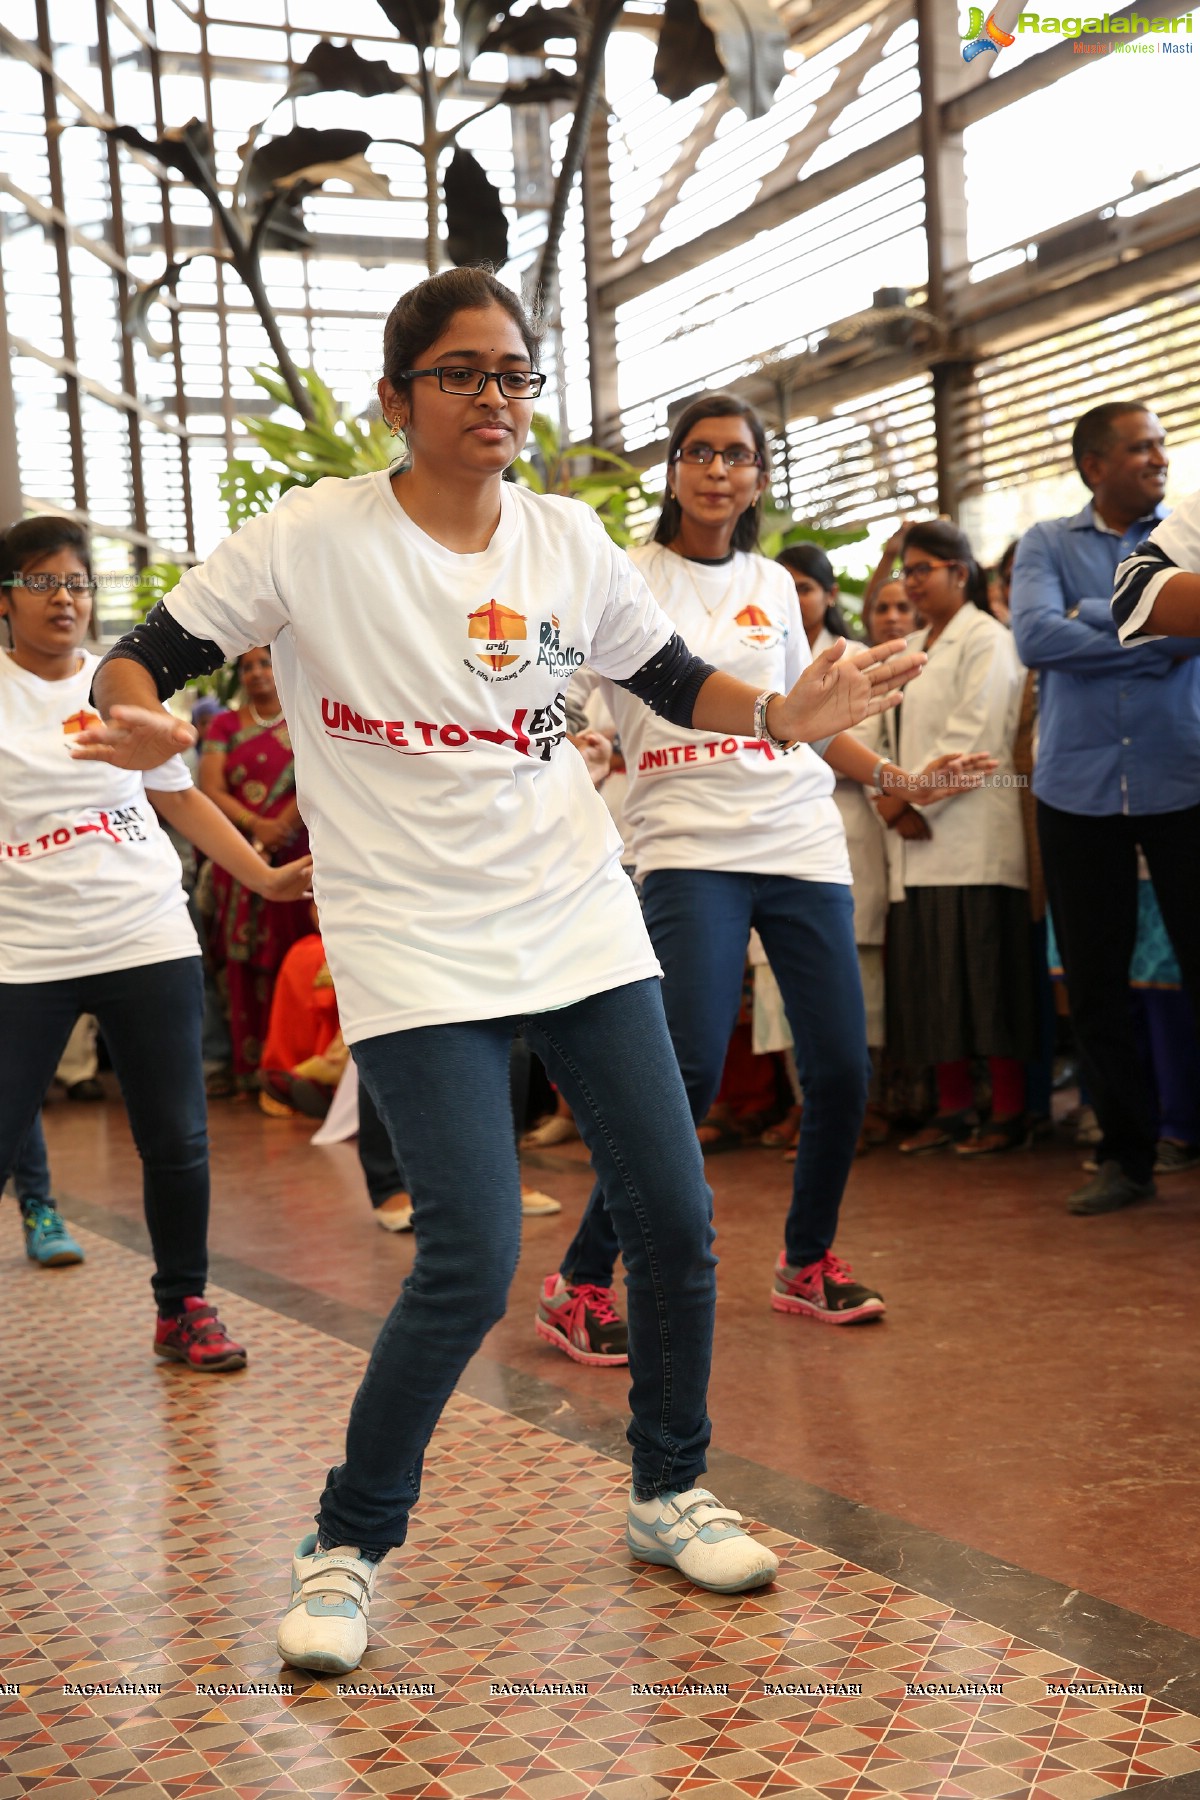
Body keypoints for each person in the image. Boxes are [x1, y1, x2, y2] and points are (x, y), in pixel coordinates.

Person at [77, 269, 928, 1675]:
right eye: (464, 373)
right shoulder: (313, 535)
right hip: (411, 935)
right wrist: (139, 724)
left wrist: (781, 711)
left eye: (516, 375)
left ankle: (667, 1489)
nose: (496, 398)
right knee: (469, 1256)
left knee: (673, 1215)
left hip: (576, 911)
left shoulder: (566, 540)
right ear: (399, 396)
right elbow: (144, 655)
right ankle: (347, 1541)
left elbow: (665, 679)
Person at [536, 394, 990, 1369]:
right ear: (672, 470)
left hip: (799, 843)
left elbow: (808, 719)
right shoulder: (623, 577)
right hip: (687, 845)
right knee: (687, 1071)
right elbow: (560, 700)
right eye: (697, 453)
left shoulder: (776, 589)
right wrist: (564, 745)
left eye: (736, 456)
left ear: (758, 476)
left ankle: (808, 1259)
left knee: (839, 1068)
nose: (716, 471)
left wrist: (895, 781)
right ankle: (579, 1280)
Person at [0, 515, 311, 1364]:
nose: (63, 598)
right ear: (6, 600)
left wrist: (266, 876)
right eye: (41, 582)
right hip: (24, 951)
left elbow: (179, 799)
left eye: (76, 582)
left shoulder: (120, 687)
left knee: (175, 1138)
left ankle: (183, 1307)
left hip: (144, 933)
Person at [1012, 402, 1200, 1212]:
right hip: (1077, 788)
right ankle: (1126, 1159)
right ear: (1094, 465)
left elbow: (1190, 635)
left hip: (1182, 777)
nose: (1159, 458)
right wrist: (1134, 630)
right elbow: (1033, 639)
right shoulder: (1046, 543)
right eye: (1141, 448)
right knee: (1095, 981)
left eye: (1161, 445)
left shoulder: (1183, 534)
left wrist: (1092, 615)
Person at [868, 520, 1033, 1156]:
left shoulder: (986, 639)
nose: (911, 583)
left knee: (986, 978)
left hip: (975, 834)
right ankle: (955, 1108)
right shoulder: (909, 645)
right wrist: (889, 800)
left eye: (923, 571)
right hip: (913, 832)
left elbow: (976, 735)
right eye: (905, 571)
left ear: (959, 574)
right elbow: (872, 730)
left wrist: (901, 793)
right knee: (932, 982)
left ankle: (1010, 1112)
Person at [198, 647, 312, 1089]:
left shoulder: (305, 713)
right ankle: (249, 1070)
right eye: (247, 667)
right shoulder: (225, 725)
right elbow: (210, 787)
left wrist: (283, 824)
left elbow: (325, 772)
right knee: (240, 961)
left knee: (295, 953)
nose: (257, 672)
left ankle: (293, 1067)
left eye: (265, 662)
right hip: (241, 856)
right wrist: (258, 826)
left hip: (299, 853)